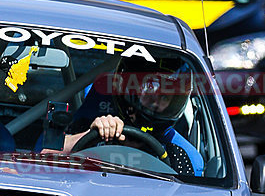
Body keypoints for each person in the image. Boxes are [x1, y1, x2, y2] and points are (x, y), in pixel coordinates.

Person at [60, 55, 204, 175]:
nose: (156, 102)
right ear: (127, 88)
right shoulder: (87, 125)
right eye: (149, 91)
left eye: (165, 97)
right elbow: (41, 155)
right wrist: (89, 136)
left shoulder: (181, 155)